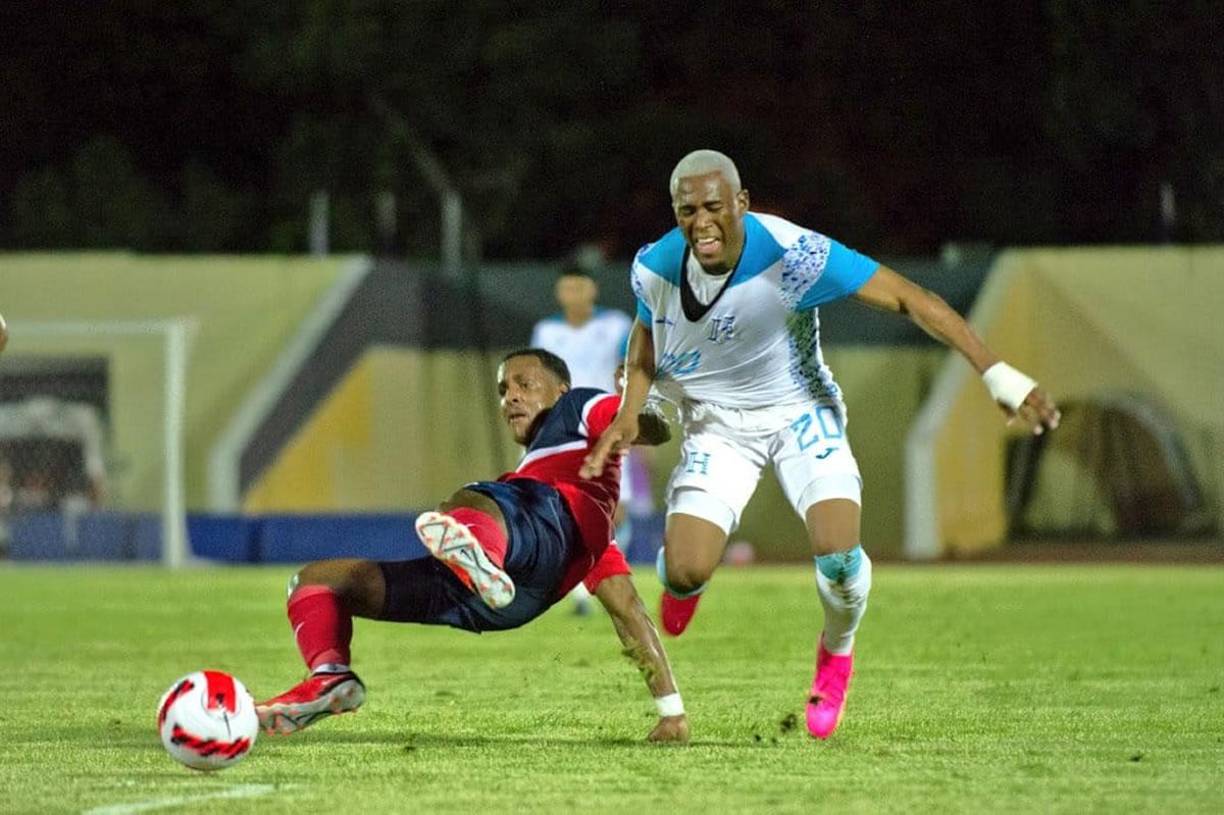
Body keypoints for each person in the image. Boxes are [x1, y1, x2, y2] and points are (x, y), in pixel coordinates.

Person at [582, 149, 1060, 740]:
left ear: (742, 203)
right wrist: (633, 409)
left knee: (837, 557)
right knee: (681, 570)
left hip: (798, 412)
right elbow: (645, 333)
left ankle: (836, 652)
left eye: (713, 207)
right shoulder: (655, 265)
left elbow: (910, 297)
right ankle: (687, 584)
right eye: (686, 210)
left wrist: (995, 372)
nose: (700, 222)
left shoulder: (793, 255)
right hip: (716, 423)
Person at [257, 348, 689, 743]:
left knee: (475, 498)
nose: (511, 397)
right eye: (504, 389)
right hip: (514, 593)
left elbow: (649, 428)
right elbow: (627, 609)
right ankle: (331, 678)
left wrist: (636, 411)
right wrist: (672, 713)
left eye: (525, 384)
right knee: (317, 582)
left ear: (560, 390)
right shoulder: (587, 530)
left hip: (528, 538)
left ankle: (481, 558)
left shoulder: (579, 408)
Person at [531, 263, 633, 613]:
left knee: (616, 511)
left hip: (607, 426)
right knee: (563, 507)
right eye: (567, 288)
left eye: (580, 287)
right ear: (559, 293)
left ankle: (607, 578)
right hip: (562, 432)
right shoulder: (546, 332)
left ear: (593, 290)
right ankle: (581, 592)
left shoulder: (616, 325)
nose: (574, 295)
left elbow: (632, 370)